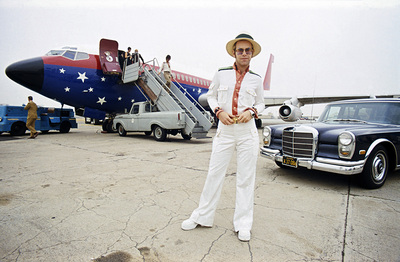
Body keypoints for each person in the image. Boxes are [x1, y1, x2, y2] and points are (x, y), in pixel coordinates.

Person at [181, 33, 264, 242]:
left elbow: (262, 102)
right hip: (225, 132)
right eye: (240, 50)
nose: (244, 53)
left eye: (247, 50)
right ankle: (202, 216)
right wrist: (218, 111)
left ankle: (243, 224)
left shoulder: (256, 79)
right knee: (214, 174)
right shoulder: (221, 73)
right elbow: (211, 95)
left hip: (247, 133)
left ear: (252, 53)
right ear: (234, 53)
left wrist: (252, 111)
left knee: (245, 179)